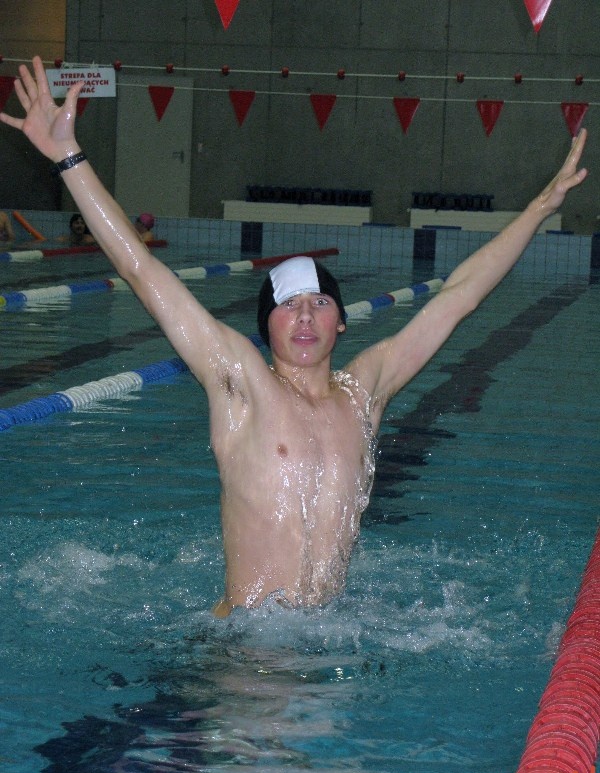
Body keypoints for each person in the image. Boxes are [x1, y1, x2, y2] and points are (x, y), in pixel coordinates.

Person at [1, 57, 588, 617]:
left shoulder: (364, 392)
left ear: (341, 322)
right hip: (246, 645)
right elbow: (140, 268)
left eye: (320, 303)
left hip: (330, 637)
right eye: (289, 306)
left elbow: (460, 297)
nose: (305, 316)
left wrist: (539, 208)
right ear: (266, 326)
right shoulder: (240, 384)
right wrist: (68, 157)